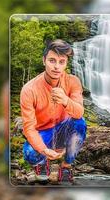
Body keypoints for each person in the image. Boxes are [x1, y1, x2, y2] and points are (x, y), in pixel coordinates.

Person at [20, 39, 86, 184]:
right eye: (52, 60)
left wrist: (65, 100)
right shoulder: (29, 90)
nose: (56, 67)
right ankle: (43, 164)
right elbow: (29, 128)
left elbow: (79, 113)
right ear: (44, 61)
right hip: (43, 132)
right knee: (30, 153)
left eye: (61, 62)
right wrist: (44, 150)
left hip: (64, 127)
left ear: (66, 64)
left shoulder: (73, 81)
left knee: (80, 124)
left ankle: (66, 166)